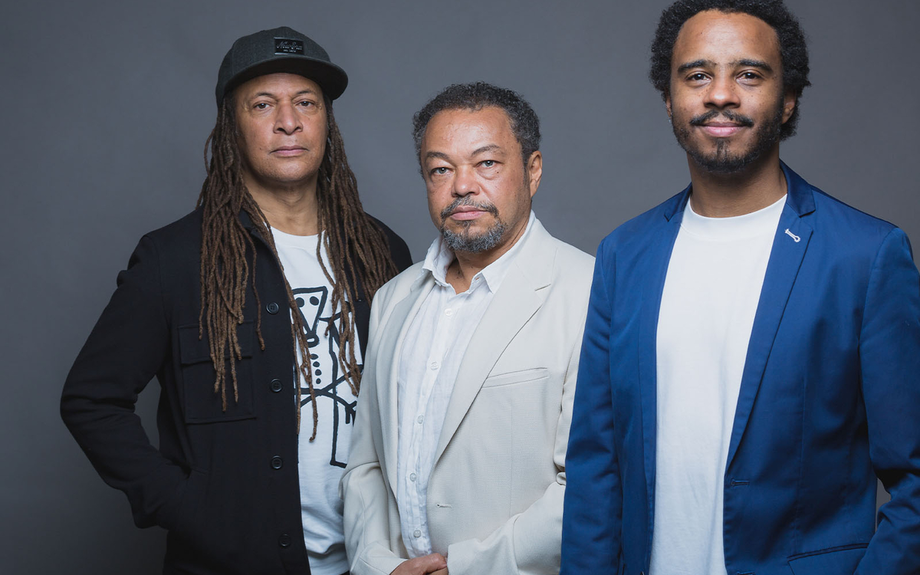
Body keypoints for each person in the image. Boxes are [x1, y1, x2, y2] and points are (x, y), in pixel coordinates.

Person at [560, 1, 920, 574]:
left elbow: (915, 479)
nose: (720, 94)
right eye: (697, 75)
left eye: (748, 74)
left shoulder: (865, 257)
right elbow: (596, 467)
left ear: (788, 98)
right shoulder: (624, 256)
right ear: (670, 98)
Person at [60, 26, 411, 575]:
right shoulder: (175, 260)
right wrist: (187, 509)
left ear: (327, 121)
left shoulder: (382, 251)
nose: (288, 121)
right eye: (263, 104)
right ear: (232, 126)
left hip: (371, 562)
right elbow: (91, 400)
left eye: (306, 102)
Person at [341, 82, 593, 575]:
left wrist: (464, 568)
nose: (462, 186)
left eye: (487, 164)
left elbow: (588, 484)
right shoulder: (393, 300)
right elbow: (366, 465)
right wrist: (378, 565)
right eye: (441, 169)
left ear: (533, 170)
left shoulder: (589, 292)